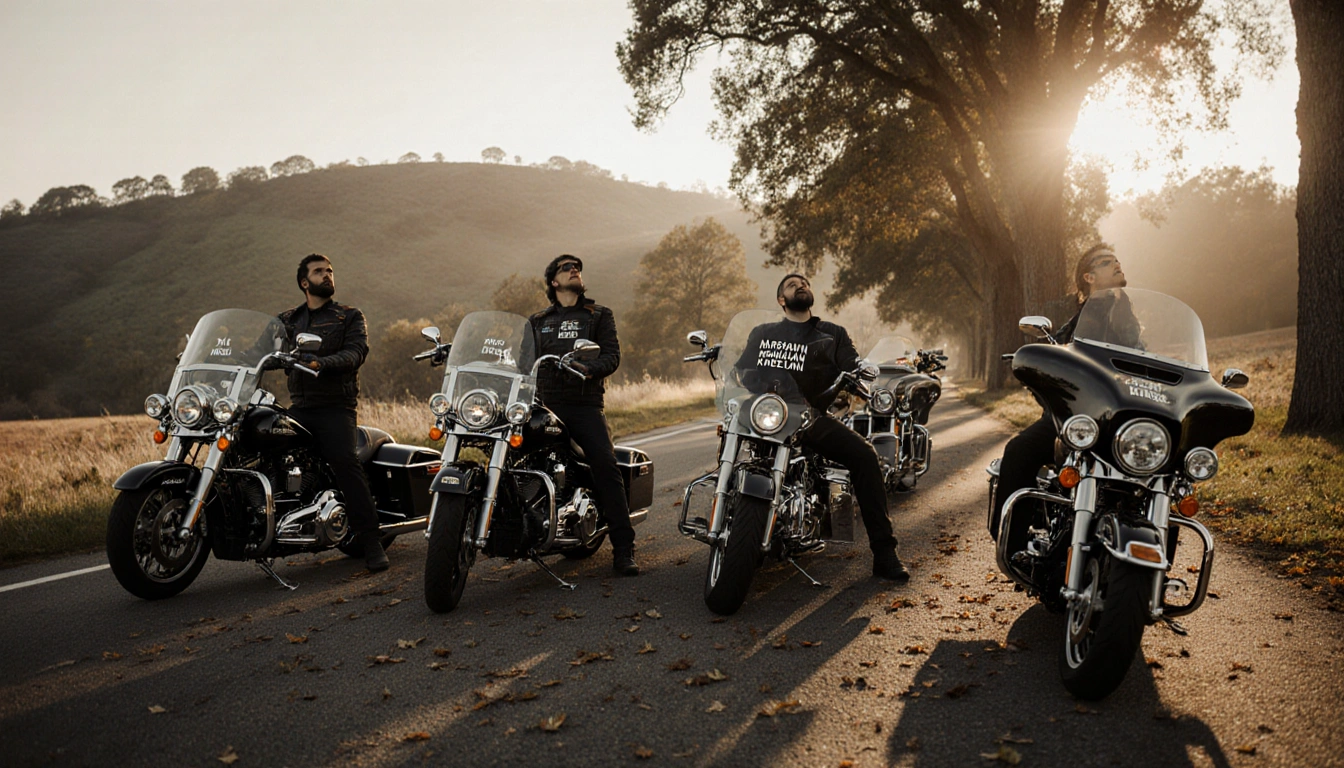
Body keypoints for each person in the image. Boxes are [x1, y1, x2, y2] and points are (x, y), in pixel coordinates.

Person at [736, 273, 911, 581]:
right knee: (730, 431)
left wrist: (860, 372)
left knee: (866, 456)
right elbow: (743, 370)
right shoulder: (764, 333)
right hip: (768, 413)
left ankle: (885, 553)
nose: (799, 286)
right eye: (791, 285)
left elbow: (851, 364)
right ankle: (728, 514)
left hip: (811, 417)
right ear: (781, 300)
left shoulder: (832, 334)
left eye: (803, 283)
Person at [990, 244, 1128, 553]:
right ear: (1089, 277)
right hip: (1075, 417)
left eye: (1117, 259)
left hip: (1117, 419)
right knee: (1019, 450)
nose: (1117, 263)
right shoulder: (1084, 317)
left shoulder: (1127, 310)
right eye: (1107, 262)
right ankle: (1012, 546)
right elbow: (1059, 345)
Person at [529, 254, 639, 576]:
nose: (574, 270)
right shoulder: (538, 321)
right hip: (544, 404)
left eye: (577, 267)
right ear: (553, 281)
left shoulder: (599, 315)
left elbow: (612, 355)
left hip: (584, 406)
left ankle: (624, 548)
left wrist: (589, 369)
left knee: (605, 464)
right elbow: (520, 358)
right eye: (566, 267)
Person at [278, 254, 388, 572]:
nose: (326, 275)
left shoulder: (348, 316)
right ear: (304, 282)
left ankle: (371, 541)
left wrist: (321, 363)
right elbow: (261, 349)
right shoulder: (287, 319)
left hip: (335, 407)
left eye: (329, 270)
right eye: (318, 271)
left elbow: (356, 352)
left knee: (344, 461)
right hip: (300, 406)